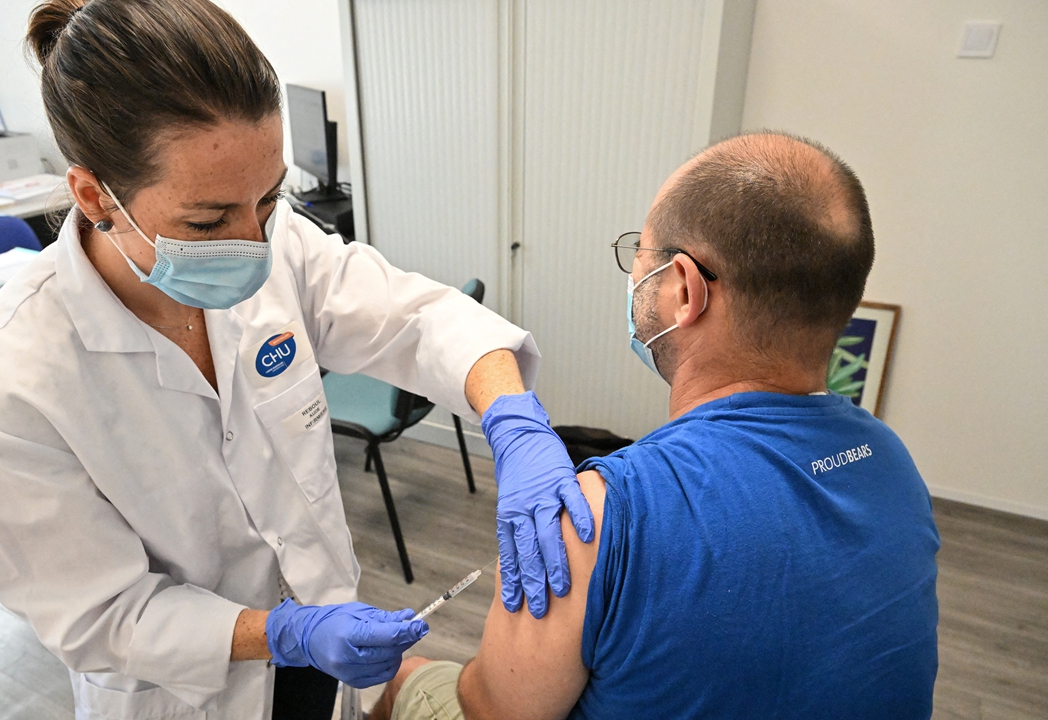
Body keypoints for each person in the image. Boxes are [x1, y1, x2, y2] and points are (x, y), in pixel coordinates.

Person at [0, 2, 594, 719]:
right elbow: (99, 614)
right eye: (208, 219)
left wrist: (513, 418)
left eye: (268, 196)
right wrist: (285, 633)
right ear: (95, 195)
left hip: (326, 651)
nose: (253, 240)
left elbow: (416, 318)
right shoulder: (8, 386)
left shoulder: (279, 242)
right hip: (190, 690)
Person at [370, 132, 941, 720]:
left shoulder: (596, 515)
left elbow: (493, 710)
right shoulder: (893, 463)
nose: (633, 277)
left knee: (405, 679)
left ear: (685, 290)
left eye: (640, 256)